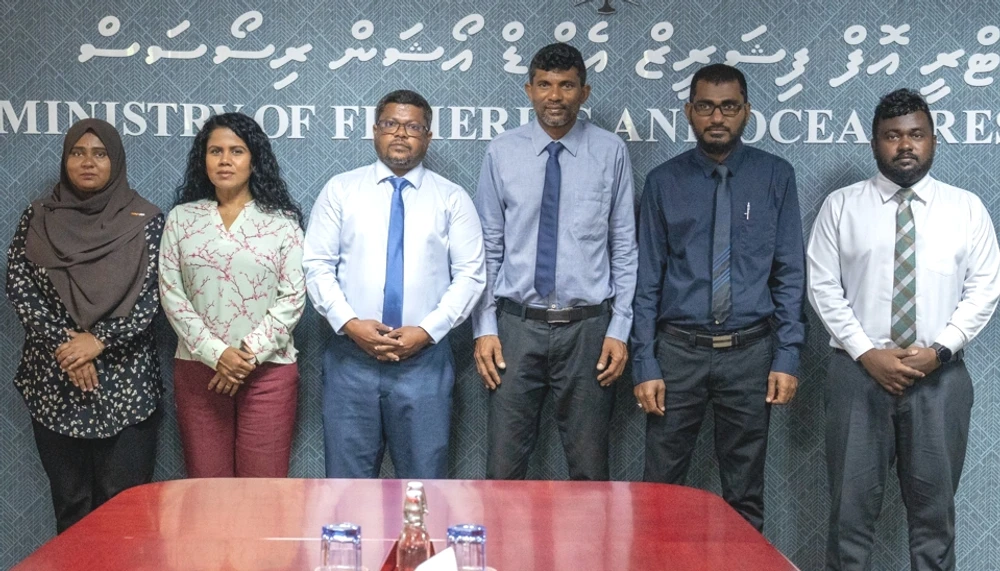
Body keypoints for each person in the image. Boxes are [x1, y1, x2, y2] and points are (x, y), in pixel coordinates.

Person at [807, 89, 1000, 571]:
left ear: (933, 139)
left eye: (916, 134)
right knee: (849, 520)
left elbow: (984, 289)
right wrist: (866, 353)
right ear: (875, 143)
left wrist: (940, 351)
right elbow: (823, 286)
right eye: (892, 136)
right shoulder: (841, 206)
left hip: (940, 378)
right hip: (857, 376)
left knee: (935, 524)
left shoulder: (967, 208)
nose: (905, 145)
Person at [631, 63, 805, 531]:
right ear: (689, 111)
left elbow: (790, 274)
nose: (717, 118)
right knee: (660, 491)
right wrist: (645, 362)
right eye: (706, 107)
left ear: (746, 111)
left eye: (728, 107)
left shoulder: (775, 176)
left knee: (745, 494)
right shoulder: (663, 182)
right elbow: (647, 281)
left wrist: (787, 355)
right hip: (676, 355)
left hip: (750, 354)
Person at [472, 43, 637, 481]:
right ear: (529, 90)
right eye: (544, 85)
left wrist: (619, 329)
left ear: (584, 92)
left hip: (588, 331)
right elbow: (488, 247)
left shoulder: (611, 151)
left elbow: (624, 246)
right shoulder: (502, 152)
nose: (555, 96)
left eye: (567, 85)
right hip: (515, 328)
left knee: (590, 471)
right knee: (503, 469)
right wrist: (485, 327)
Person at [303, 89, 485, 479]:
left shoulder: (452, 199)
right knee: (347, 490)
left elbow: (471, 274)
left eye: (412, 127)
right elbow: (317, 265)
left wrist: (427, 331)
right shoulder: (341, 190)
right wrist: (351, 324)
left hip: (424, 362)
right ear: (374, 130)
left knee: (424, 486)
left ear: (428, 137)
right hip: (351, 359)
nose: (400, 134)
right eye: (390, 124)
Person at [5, 118, 163, 533]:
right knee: (71, 507)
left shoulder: (145, 221)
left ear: (116, 161)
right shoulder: (38, 217)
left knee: (124, 513)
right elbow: (21, 286)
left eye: (99, 153)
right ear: (65, 160)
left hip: (125, 385)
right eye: (77, 153)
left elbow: (153, 294)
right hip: (55, 382)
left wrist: (99, 340)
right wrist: (71, 348)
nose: (87, 162)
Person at [159, 112, 306, 478]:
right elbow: (172, 295)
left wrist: (245, 356)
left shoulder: (283, 222)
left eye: (236, 151)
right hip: (199, 370)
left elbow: (293, 297)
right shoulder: (181, 219)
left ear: (254, 159)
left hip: (268, 372)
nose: (225, 160)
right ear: (203, 159)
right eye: (216, 151)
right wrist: (217, 354)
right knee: (208, 490)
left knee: (262, 491)